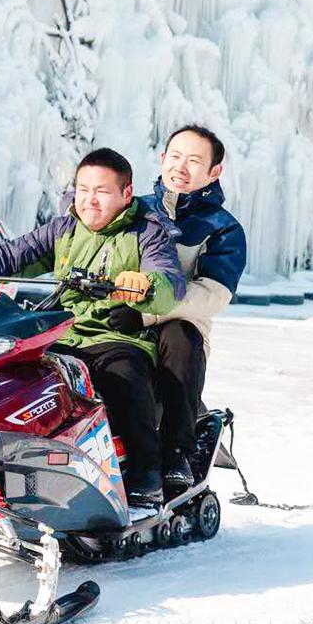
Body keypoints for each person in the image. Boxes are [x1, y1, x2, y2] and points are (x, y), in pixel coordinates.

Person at [0, 148, 186, 507]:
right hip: (60, 334)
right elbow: (15, 254)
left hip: (117, 335)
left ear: (126, 195)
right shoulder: (64, 228)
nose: (89, 200)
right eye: (83, 189)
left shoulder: (148, 232)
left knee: (124, 376)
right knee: (9, 376)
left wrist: (146, 285)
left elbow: (170, 282)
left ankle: (146, 474)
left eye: (102, 191)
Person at [106, 125, 247, 488]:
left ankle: (176, 452)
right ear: (162, 158)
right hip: (115, 317)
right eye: (175, 156)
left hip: (177, 325)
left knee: (180, 337)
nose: (181, 167)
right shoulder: (134, 210)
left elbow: (211, 295)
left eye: (194, 160)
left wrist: (148, 310)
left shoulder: (222, 229)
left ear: (214, 172)